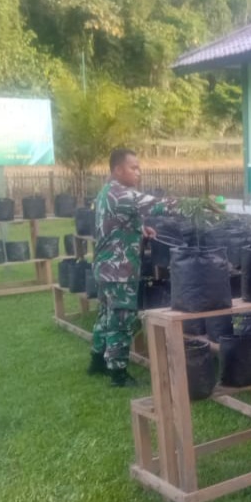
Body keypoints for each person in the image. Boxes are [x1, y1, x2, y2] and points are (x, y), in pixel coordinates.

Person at [88, 148, 174, 387]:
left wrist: (141, 229)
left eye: (138, 167)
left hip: (105, 267)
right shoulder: (122, 194)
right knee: (122, 320)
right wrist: (196, 205)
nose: (139, 172)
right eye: (133, 167)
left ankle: (97, 360)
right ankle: (118, 374)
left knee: (105, 316)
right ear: (117, 170)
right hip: (120, 271)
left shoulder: (107, 192)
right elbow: (158, 204)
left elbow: (118, 222)